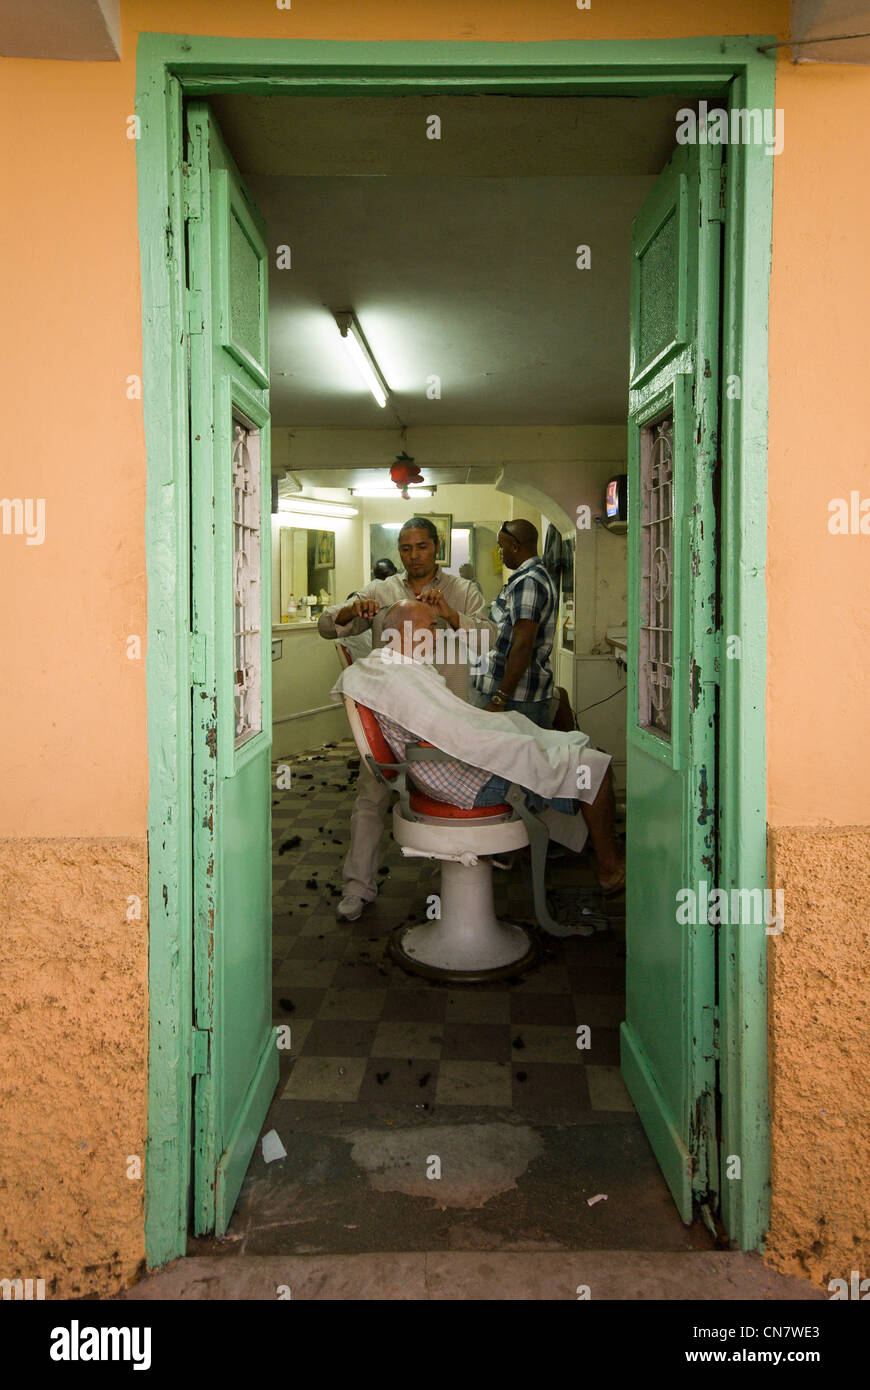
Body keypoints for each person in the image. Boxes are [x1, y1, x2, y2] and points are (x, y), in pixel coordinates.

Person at [334, 601, 625, 896]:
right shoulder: (395, 677)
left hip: (446, 772)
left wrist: (498, 731)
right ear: (405, 630)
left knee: (558, 746)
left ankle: (582, 852)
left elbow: (451, 727)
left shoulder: (391, 669)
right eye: (432, 627)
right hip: (465, 783)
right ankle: (610, 870)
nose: (437, 635)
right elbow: (455, 736)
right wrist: (504, 739)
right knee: (591, 765)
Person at [318, 516, 497, 920]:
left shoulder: (462, 590)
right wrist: (350, 610)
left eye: (421, 547)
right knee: (370, 797)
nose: (414, 556)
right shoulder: (381, 590)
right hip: (395, 717)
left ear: (437, 548)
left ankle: (453, 891)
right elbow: (326, 626)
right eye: (405, 548)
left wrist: (451, 616)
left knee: (448, 798)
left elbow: (490, 638)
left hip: (445, 713)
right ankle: (357, 886)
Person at [473, 518, 573, 730]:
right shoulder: (533, 577)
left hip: (516, 699)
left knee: (509, 761)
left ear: (515, 546)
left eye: (501, 546)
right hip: (518, 695)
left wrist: (500, 698)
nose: (499, 552)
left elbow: (523, 645)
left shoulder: (529, 582)